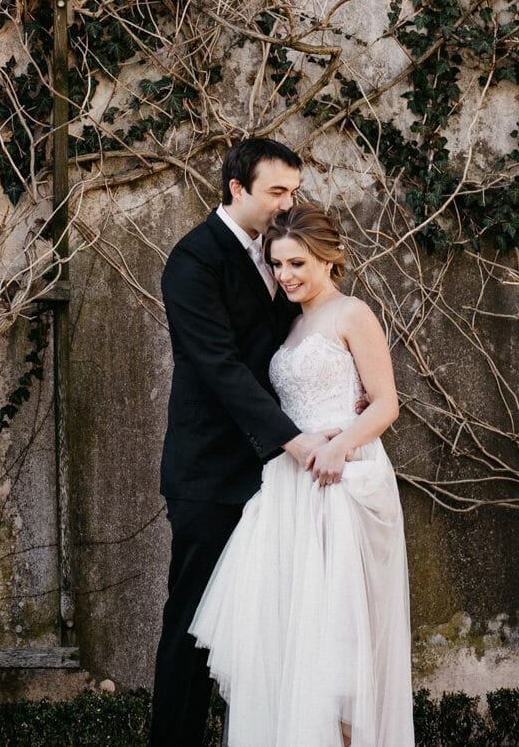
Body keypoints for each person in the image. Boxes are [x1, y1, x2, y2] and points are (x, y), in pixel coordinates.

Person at [188, 202, 412, 747]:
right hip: (291, 486)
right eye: (277, 264)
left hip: (340, 483)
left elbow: (386, 404)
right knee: (293, 641)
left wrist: (342, 445)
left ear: (329, 259)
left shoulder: (353, 314)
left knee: (340, 645)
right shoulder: (288, 325)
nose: (286, 276)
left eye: (297, 264)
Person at [149, 138, 343, 747]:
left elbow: (294, 351)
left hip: (271, 481)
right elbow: (221, 366)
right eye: (277, 192)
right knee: (193, 630)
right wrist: (297, 442)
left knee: (264, 630)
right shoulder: (193, 261)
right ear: (237, 189)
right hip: (210, 475)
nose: (289, 202)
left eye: (294, 190)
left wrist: (344, 399)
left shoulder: (279, 258)